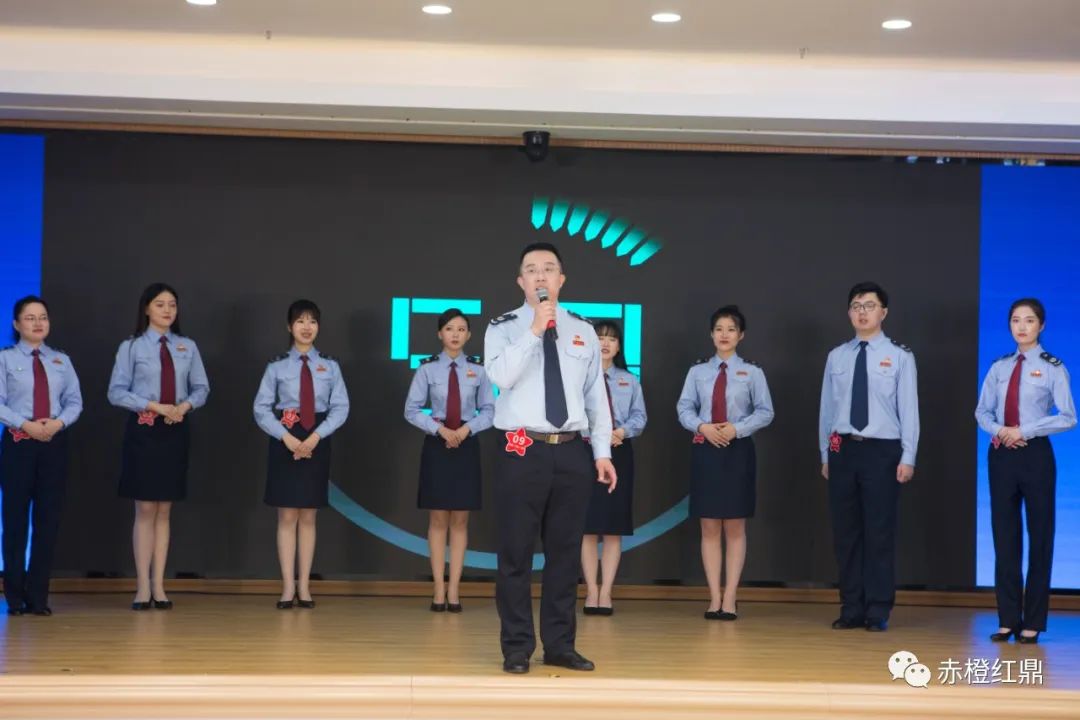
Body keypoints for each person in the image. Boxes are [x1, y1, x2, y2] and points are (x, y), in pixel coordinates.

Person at [485, 241, 616, 674]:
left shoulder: (582, 329)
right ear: (520, 281)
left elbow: (595, 397)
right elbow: (501, 376)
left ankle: (560, 644)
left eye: (548, 268)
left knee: (565, 553)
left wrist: (601, 452)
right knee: (516, 553)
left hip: (572, 450)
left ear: (561, 278)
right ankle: (517, 647)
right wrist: (535, 330)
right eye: (531, 269)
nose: (540, 275)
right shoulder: (503, 328)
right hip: (521, 449)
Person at [819, 281, 918, 632]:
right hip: (843, 449)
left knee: (878, 532)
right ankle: (851, 607)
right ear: (849, 313)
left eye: (870, 306)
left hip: (882, 451)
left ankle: (878, 608)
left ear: (883, 312)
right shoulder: (837, 356)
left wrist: (908, 455)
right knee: (846, 533)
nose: (862, 312)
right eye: (856, 306)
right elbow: (827, 410)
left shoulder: (900, 356)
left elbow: (909, 410)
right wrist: (826, 453)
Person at [976, 298, 1075, 644]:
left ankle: (1032, 621)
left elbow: (1068, 417)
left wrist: (1025, 431)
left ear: (1041, 325)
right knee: (1004, 539)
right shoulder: (999, 366)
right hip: (1001, 454)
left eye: (1029, 320)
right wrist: (1001, 430)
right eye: (1016, 320)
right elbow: (982, 411)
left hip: (1035, 456)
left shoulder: (1052, 368)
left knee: (1040, 537)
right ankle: (1007, 619)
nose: (1021, 326)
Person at [108, 283, 209, 611]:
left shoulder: (187, 346)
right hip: (144, 431)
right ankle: (141, 586)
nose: (167, 310)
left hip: (175, 431)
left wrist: (186, 406)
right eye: (160, 304)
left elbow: (201, 388)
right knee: (145, 509)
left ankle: (159, 585)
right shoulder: (132, 347)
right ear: (146, 308)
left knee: (165, 510)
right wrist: (152, 405)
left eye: (172, 305)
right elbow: (116, 392)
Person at [676, 305, 773, 620]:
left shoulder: (752, 372)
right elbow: (684, 408)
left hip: (737, 450)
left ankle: (730, 596)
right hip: (706, 448)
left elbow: (765, 411)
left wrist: (737, 429)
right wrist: (702, 427)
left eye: (731, 329)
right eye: (719, 329)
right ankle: (713, 596)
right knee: (708, 525)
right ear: (711, 334)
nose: (724, 334)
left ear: (741, 335)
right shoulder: (698, 372)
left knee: (734, 525)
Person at [254, 299, 349, 610]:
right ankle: (286, 587)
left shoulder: (330, 366)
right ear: (289, 326)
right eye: (300, 321)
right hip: (285, 437)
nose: (307, 327)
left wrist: (316, 436)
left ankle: (305, 586)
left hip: (317, 437)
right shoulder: (277, 366)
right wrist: (286, 438)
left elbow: (340, 407)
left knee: (308, 515)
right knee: (286, 515)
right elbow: (261, 408)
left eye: (312, 321)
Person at [404, 308, 495, 613]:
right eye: (449, 329)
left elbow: (490, 410)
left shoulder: (478, 370)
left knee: (460, 520)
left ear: (469, 335)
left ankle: (455, 589)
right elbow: (411, 409)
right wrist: (440, 429)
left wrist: (467, 429)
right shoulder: (427, 369)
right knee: (437, 519)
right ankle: (438, 588)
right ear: (439, 334)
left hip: (466, 444)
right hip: (437, 443)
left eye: (461, 329)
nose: (455, 334)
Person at [0, 296, 83, 616]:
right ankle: (14, 596)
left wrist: (58, 423)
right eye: (30, 318)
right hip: (19, 443)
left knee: (48, 521)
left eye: (43, 317)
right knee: (15, 521)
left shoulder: (61, 360)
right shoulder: (6, 359)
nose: (38, 323)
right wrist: (26, 425)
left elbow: (74, 401)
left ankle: (38, 597)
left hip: (53, 444)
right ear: (16, 324)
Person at [581, 320, 646, 617]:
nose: (605, 343)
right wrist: (597, 434)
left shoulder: (629, 381)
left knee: (612, 528)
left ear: (619, 346)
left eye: (611, 339)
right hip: (586, 453)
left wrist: (621, 432)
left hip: (619, 452)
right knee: (587, 527)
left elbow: (639, 417)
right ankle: (590, 591)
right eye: (599, 338)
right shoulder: (580, 378)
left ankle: (606, 592)